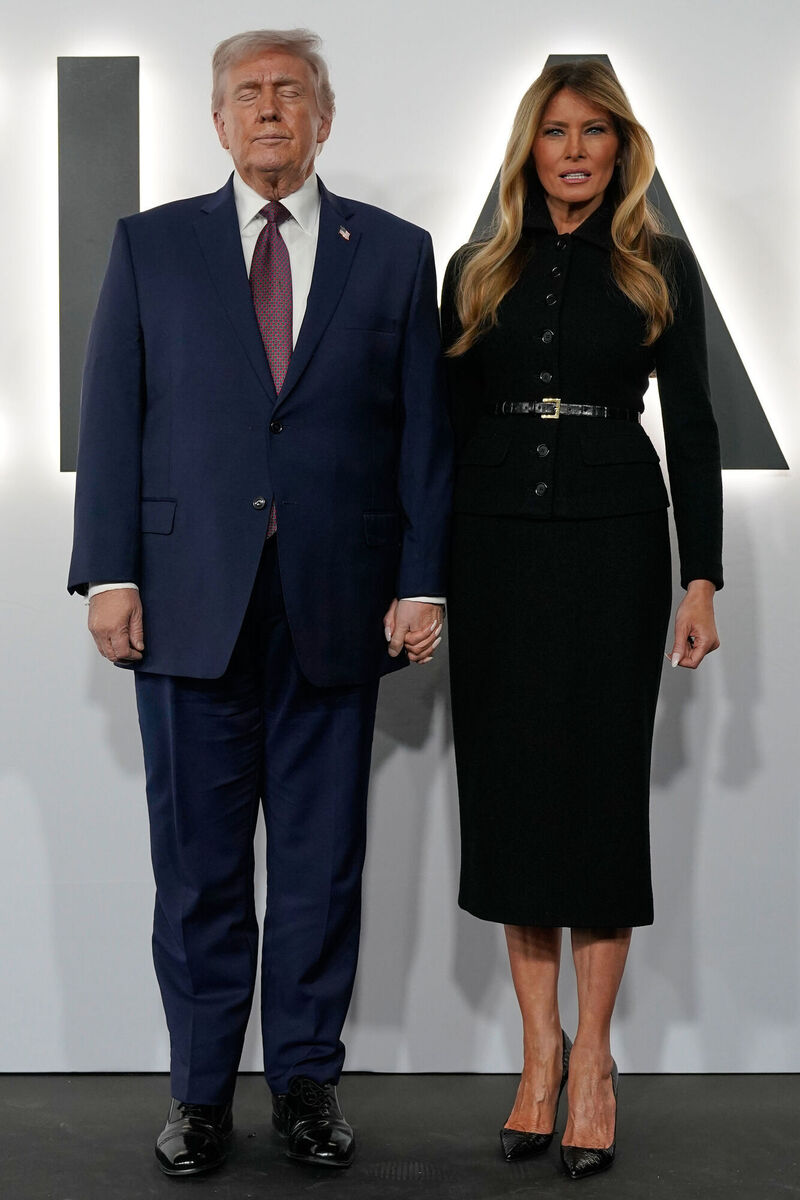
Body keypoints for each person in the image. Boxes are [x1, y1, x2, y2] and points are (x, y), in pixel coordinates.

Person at [68, 28, 451, 1177]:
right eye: (248, 93)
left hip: (337, 606)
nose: (270, 109)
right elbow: (113, 412)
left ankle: (304, 1088)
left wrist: (421, 575)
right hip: (186, 604)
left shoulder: (391, 252)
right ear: (218, 121)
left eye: (291, 91)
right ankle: (196, 1096)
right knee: (197, 870)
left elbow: (423, 432)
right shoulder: (152, 247)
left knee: (323, 865)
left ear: (324, 116)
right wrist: (111, 570)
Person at [441, 59, 722, 1181]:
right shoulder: (475, 268)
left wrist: (700, 576)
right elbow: (439, 432)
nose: (571, 150)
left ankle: (594, 1064)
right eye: (553, 131)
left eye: (591, 132)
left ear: (619, 147)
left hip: (613, 547)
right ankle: (535, 1063)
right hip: (496, 543)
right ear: (529, 145)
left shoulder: (658, 265)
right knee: (511, 798)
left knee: (597, 799)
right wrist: (419, 572)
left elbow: (694, 426)